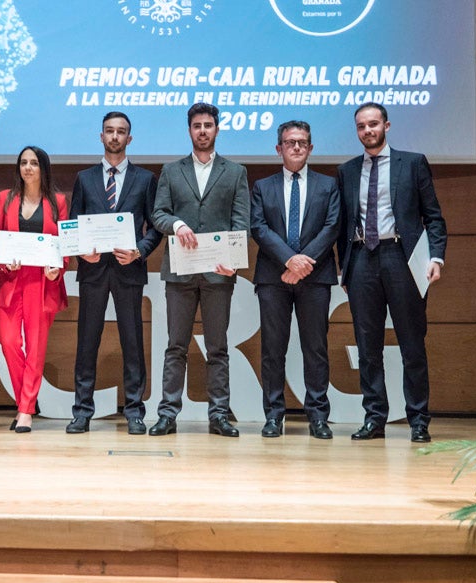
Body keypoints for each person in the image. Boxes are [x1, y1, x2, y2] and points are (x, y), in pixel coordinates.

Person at [337, 103, 447, 443]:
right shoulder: (347, 170)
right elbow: (341, 222)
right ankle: (374, 419)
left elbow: (434, 217)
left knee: (412, 343)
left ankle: (418, 420)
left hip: (402, 258)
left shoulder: (412, 163)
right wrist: (343, 269)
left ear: (387, 125)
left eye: (373, 124)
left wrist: (436, 258)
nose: (367, 130)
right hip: (361, 260)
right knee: (367, 347)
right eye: (361, 126)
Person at [149, 103, 249, 438]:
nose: (203, 131)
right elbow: (158, 213)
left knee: (217, 347)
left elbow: (241, 223)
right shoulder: (171, 171)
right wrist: (176, 224)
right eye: (197, 126)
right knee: (175, 345)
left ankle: (219, 414)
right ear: (189, 130)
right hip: (179, 272)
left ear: (217, 130)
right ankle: (167, 414)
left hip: (218, 274)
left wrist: (233, 258)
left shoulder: (235, 172)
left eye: (208, 125)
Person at [65, 111, 162, 436]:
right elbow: (73, 225)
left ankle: (134, 411)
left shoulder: (146, 179)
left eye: (121, 132)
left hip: (128, 270)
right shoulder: (85, 177)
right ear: (101, 136)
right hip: (93, 271)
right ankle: (82, 412)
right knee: (86, 342)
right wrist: (81, 251)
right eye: (110, 131)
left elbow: (155, 228)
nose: (115, 136)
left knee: (132, 342)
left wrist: (140, 251)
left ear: (129, 139)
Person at [250, 120, 340, 439]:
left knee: (315, 348)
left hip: (315, 278)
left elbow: (331, 228)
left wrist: (302, 263)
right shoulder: (262, 186)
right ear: (279, 149)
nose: (297, 147)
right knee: (273, 349)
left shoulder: (329, 186)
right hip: (274, 277)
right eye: (290, 142)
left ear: (311, 148)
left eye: (302, 142)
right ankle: (274, 416)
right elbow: (259, 228)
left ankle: (318, 416)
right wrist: (289, 259)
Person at [0, 146, 68, 433]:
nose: (28, 168)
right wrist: (2, 264)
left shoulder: (58, 201)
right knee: (8, 341)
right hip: (11, 279)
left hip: (41, 281)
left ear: (43, 168)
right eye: (23, 162)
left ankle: (25, 410)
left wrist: (59, 266)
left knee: (36, 348)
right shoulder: (5, 199)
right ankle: (28, 402)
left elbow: (64, 245)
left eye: (34, 163)